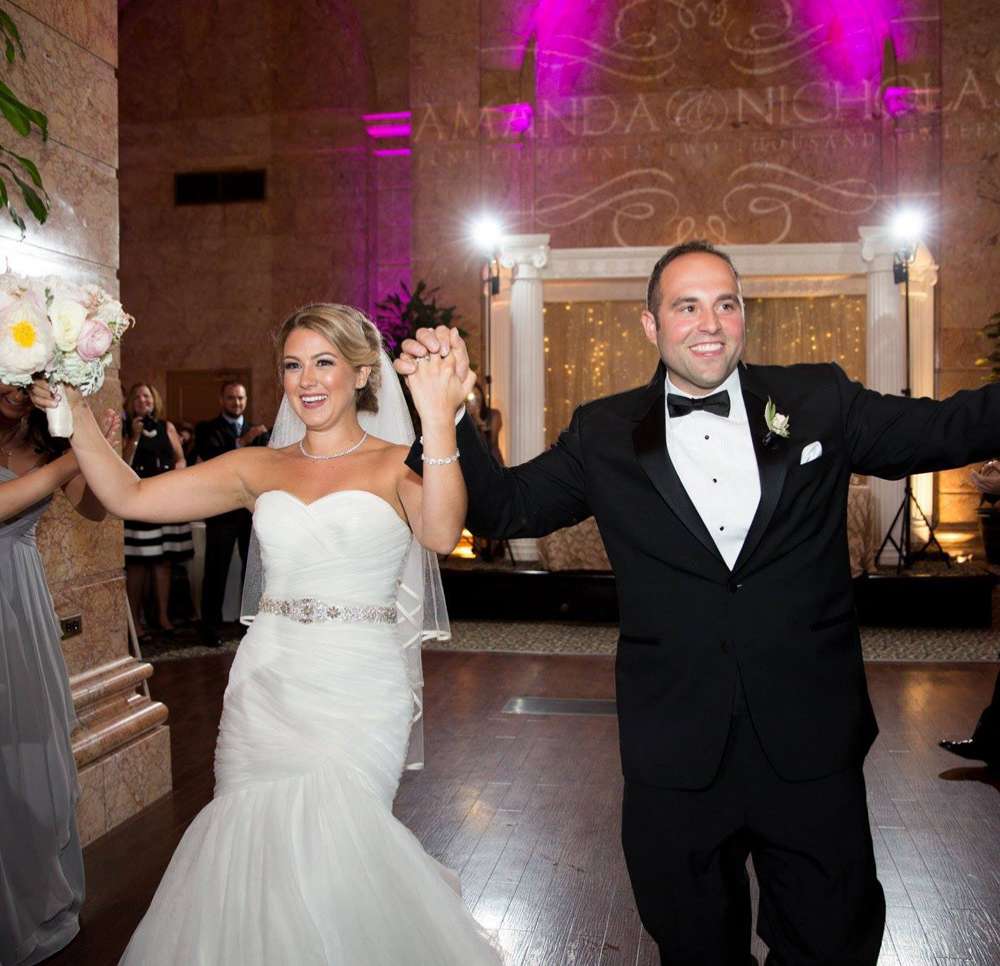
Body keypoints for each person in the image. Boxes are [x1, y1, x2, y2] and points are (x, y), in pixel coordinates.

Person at [396, 239, 1000, 965]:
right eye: (686, 307)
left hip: (809, 740)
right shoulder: (603, 431)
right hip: (675, 749)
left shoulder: (817, 399)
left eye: (725, 304)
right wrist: (444, 415)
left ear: (744, 316)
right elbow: (506, 506)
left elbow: (949, 426)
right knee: (694, 948)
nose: (709, 323)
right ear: (651, 324)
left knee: (833, 941)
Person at [32, 304, 502, 965]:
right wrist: (77, 412)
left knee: (339, 846)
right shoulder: (256, 466)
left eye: (324, 362)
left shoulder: (399, 465)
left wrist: (439, 425)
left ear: (361, 373)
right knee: (250, 848)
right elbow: (131, 497)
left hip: (359, 688)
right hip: (267, 679)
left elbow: (441, 532)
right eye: (292, 365)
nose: (306, 380)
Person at [0, 382, 115, 966]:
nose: (13, 389)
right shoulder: (57, 456)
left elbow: (95, 509)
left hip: (20, 608)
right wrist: (73, 458)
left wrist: (97, 449)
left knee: (32, 760)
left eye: (21, 377)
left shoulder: (46, 440)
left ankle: (30, 899)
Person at [194, 381, 268, 646]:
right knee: (216, 571)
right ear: (221, 400)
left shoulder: (257, 430)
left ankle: (248, 625)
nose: (237, 403)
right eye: (231, 398)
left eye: (240, 398)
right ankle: (210, 628)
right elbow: (212, 462)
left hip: (250, 514)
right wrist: (242, 442)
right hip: (221, 512)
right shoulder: (207, 429)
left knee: (252, 571)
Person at [121, 383, 193, 639]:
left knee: (164, 561)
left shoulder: (167, 426)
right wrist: (135, 436)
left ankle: (163, 617)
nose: (143, 400)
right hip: (140, 501)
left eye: (147, 395)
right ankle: (135, 622)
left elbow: (180, 458)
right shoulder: (125, 427)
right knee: (139, 563)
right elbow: (122, 463)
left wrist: (177, 478)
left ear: (154, 400)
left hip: (166, 500)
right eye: (138, 396)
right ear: (131, 402)